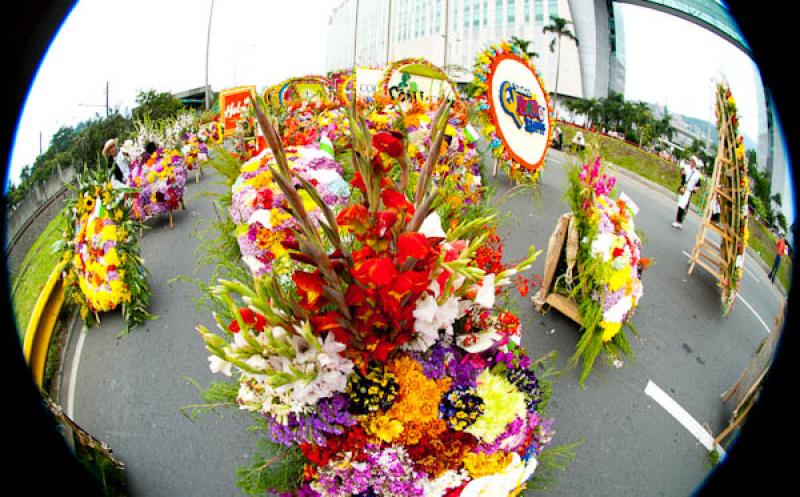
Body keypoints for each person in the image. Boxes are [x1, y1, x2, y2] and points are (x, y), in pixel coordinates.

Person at [672, 158, 702, 229]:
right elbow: (681, 173)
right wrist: (683, 173)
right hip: (683, 188)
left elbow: (698, 185)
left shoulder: (697, 174)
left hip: (689, 191)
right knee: (680, 205)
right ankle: (678, 221)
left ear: (695, 164)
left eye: (693, 162)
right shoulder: (686, 167)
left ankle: (678, 221)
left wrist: (696, 189)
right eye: (691, 161)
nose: (692, 163)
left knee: (683, 206)